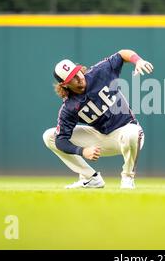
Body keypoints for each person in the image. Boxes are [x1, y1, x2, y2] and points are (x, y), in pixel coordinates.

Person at [42, 50, 154, 189]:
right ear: (64, 85)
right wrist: (82, 151)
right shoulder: (69, 106)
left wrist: (138, 60)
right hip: (101, 137)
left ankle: (127, 177)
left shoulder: (100, 72)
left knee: (132, 133)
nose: (79, 77)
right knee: (49, 136)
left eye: (77, 72)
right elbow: (61, 140)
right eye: (72, 77)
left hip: (127, 131)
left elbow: (122, 54)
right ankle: (91, 178)